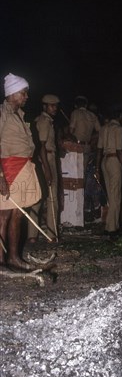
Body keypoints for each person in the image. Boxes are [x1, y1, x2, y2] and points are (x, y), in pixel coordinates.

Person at [0, 73, 42, 271]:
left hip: (22, 167)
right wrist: (0, 177)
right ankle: (9, 258)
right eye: (23, 93)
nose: (26, 97)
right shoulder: (2, 113)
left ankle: (9, 257)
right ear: (13, 93)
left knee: (13, 214)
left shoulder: (19, 115)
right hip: (9, 168)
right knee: (8, 215)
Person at [28, 94, 61, 243]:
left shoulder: (41, 120)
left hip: (42, 159)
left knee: (38, 197)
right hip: (46, 158)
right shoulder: (44, 122)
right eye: (52, 106)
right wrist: (47, 169)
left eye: (55, 105)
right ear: (45, 107)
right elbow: (41, 146)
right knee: (52, 197)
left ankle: (32, 235)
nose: (55, 108)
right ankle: (51, 234)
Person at [96, 107, 122, 237]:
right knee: (116, 196)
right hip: (114, 160)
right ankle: (111, 228)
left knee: (111, 195)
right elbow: (120, 151)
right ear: (120, 116)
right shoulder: (119, 129)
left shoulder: (103, 128)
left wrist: (97, 168)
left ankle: (111, 225)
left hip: (104, 160)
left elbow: (99, 150)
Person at [69, 96, 101, 173]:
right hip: (87, 146)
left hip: (76, 146)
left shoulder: (75, 113)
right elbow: (100, 132)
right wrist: (91, 138)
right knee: (83, 172)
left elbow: (71, 131)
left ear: (76, 105)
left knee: (74, 173)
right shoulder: (93, 115)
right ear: (86, 105)